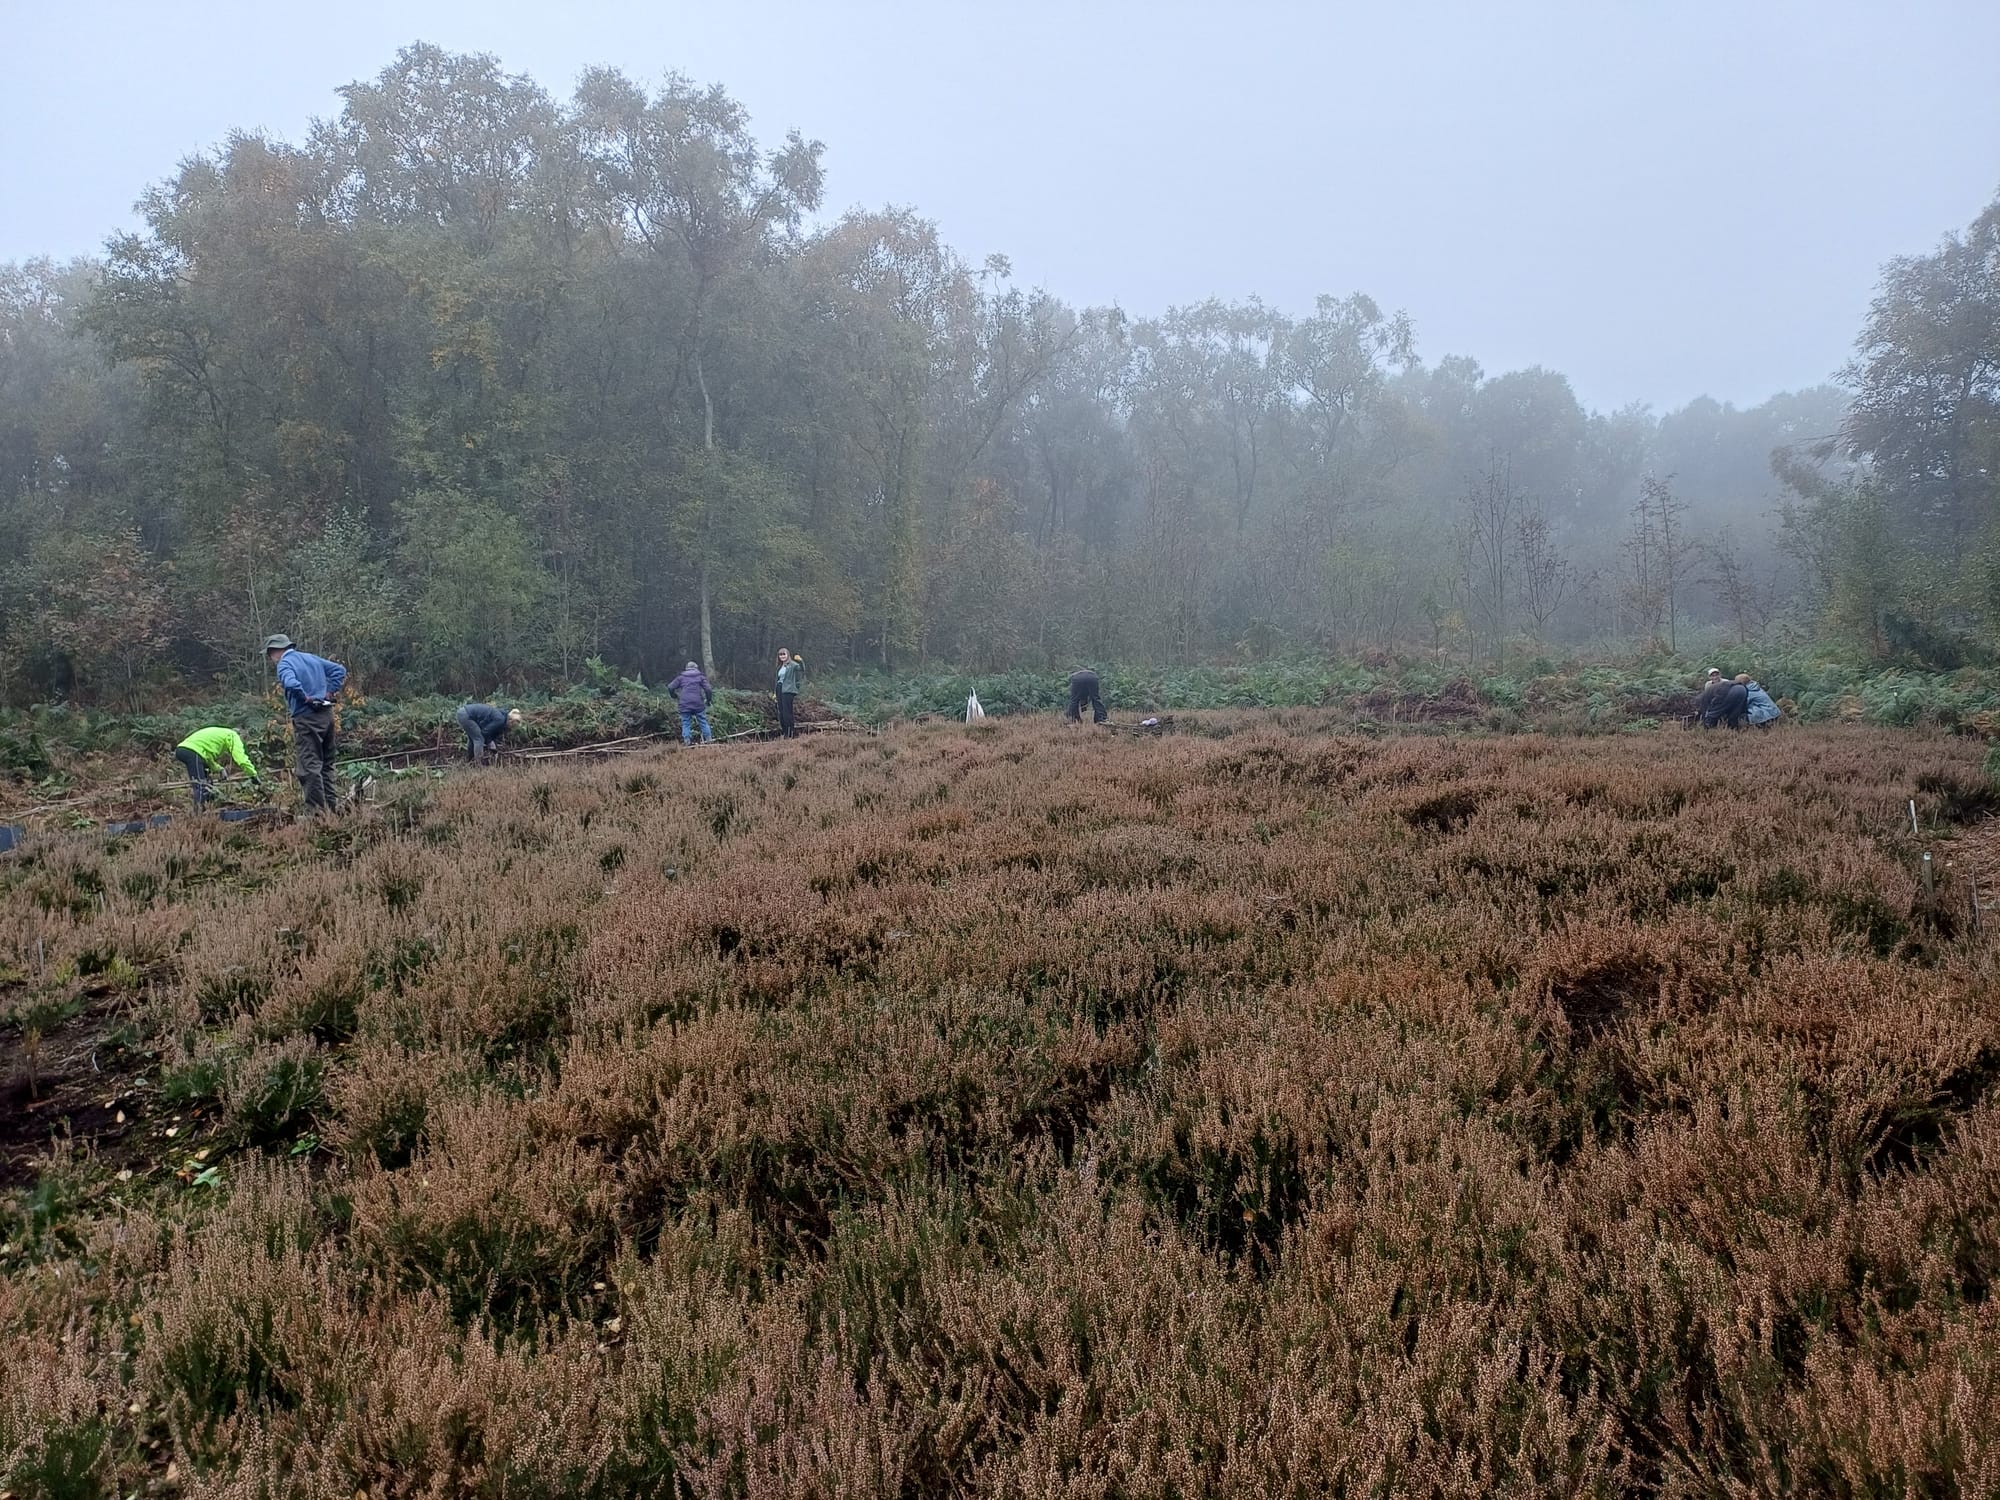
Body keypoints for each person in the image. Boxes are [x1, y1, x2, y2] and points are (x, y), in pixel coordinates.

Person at [264, 634, 347, 813]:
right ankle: (332, 810)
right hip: (326, 716)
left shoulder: (284, 664)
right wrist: (329, 693)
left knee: (309, 766)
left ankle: (317, 815)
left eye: (270, 655)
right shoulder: (310, 658)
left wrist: (306, 698)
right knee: (327, 764)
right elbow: (339, 671)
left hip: (307, 718)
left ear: (274, 651)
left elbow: (291, 684)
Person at [173, 726, 262, 810]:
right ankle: (198, 818)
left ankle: (208, 809)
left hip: (183, 749)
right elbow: (241, 759)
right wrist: (253, 775)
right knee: (200, 785)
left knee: (207, 783)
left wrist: (220, 769)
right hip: (193, 752)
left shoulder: (220, 733)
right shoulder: (233, 736)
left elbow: (207, 757)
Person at [456, 703, 522, 764]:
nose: (511, 728)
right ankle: (479, 765)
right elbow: (485, 731)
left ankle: (469, 761)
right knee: (479, 739)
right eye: (512, 725)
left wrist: (491, 742)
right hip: (466, 715)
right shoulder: (500, 720)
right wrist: (490, 743)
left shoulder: (501, 717)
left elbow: (489, 731)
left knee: (473, 739)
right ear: (510, 720)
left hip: (463, 712)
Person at [667, 660, 714, 744]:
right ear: (696, 668)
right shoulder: (700, 677)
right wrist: (708, 700)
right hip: (698, 704)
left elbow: (670, 687)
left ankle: (687, 742)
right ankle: (709, 740)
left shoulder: (681, 677)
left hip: (684, 704)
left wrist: (674, 696)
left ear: (686, 668)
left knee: (686, 723)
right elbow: (708, 689)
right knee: (703, 721)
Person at [775, 648, 804, 739]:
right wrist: (774, 693)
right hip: (779, 689)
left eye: (784, 654)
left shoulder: (792, 665)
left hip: (788, 690)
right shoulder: (779, 667)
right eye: (780, 654)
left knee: (787, 713)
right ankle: (784, 732)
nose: (782, 656)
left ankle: (790, 733)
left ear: (788, 655)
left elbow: (802, 669)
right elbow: (777, 680)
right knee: (781, 712)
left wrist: (801, 661)